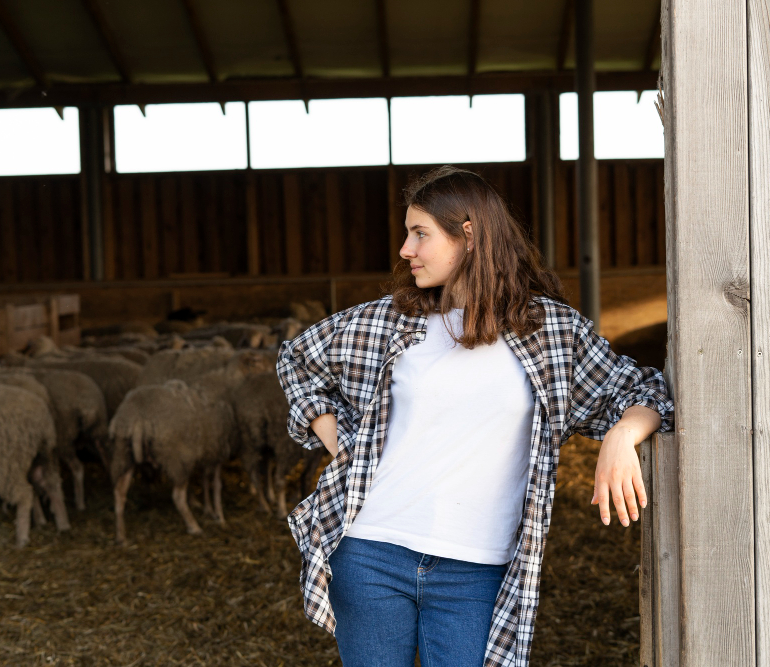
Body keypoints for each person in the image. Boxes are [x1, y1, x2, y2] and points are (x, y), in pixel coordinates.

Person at [276, 166, 674, 667]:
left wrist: (622, 435)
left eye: (420, 234)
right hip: (370, 552)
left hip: (477, 570)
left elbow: (645, 388)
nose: (405, 249)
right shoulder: (388, 322)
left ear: (468, 235)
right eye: (408, 233)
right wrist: (343, 445)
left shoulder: (549, 333)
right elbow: (297, 360)